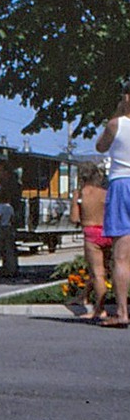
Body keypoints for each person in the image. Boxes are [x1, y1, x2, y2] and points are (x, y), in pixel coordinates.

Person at [95, 91, 130, 328]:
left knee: (121, 257)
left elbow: (100, 147)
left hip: (121, 184)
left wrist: (119, 110)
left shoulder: (115, 124)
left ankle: (122, 312)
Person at [69, 161, 111, 320]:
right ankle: (83, 296)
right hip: (108, 231)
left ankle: (99, 309)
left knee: (97, 273)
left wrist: (75, 202)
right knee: (106, 270)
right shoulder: (105, 193)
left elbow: (74, 219)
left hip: (91, 233)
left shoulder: (81, 194)